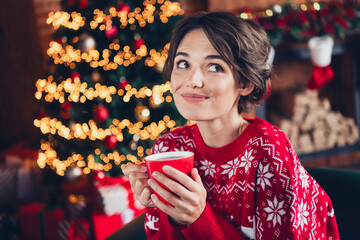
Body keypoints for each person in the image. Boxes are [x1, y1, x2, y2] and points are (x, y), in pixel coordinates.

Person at [123, 11, 339, 240]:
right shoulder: (168, 148)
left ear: (245, 83)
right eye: (183, 63)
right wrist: (171, 212)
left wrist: (198, 218)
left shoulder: (269, 149)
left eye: (215, 67)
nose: (192, 81)